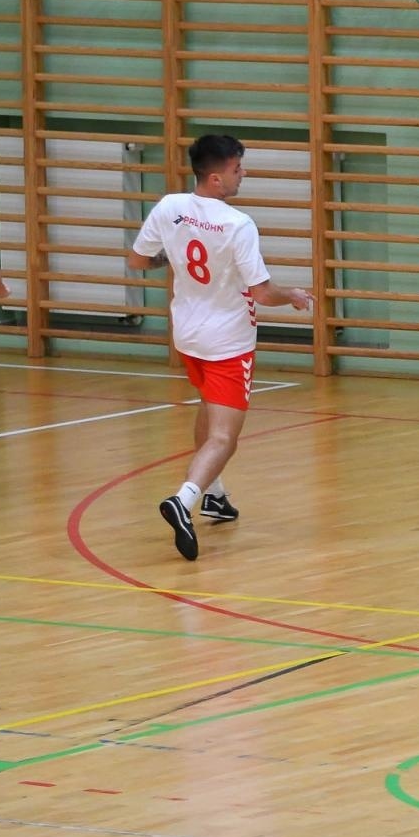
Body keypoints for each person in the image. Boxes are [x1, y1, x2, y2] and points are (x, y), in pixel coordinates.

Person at [126, 133, 313, 561]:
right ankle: (184, 500)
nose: (242, 174)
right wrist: (293, 294)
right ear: (215, 178)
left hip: (188, 334)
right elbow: (262, 293)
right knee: (225, 438)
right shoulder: (237, 224)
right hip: (228, 341)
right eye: (236, 169)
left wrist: (171, 258)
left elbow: (138, 261)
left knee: (208, 408)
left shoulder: (170, 207)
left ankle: (214, 495)